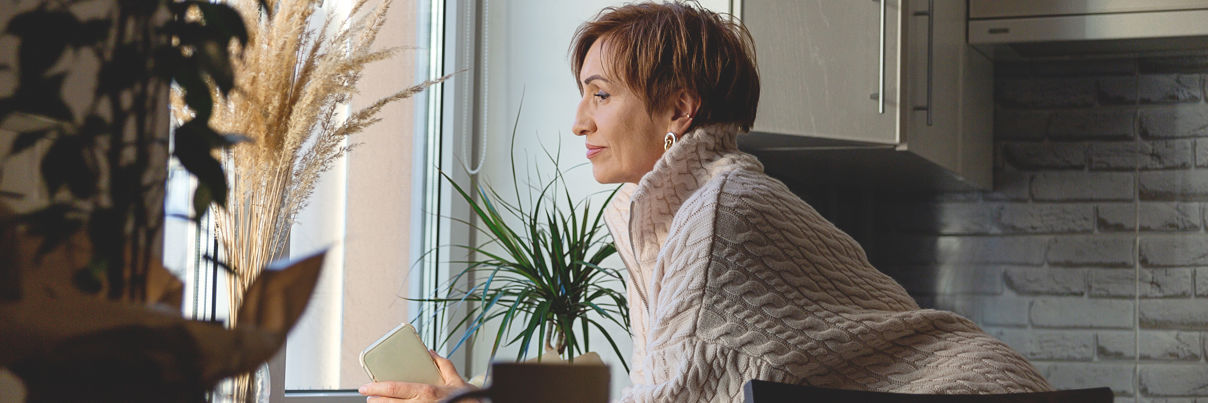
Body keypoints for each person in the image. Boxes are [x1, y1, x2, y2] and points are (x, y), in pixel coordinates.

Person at [362, 2, 1053, 402]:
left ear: (678, 110)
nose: (579, 121)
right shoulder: (668, 215)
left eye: (600, 94)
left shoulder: (718, 211)